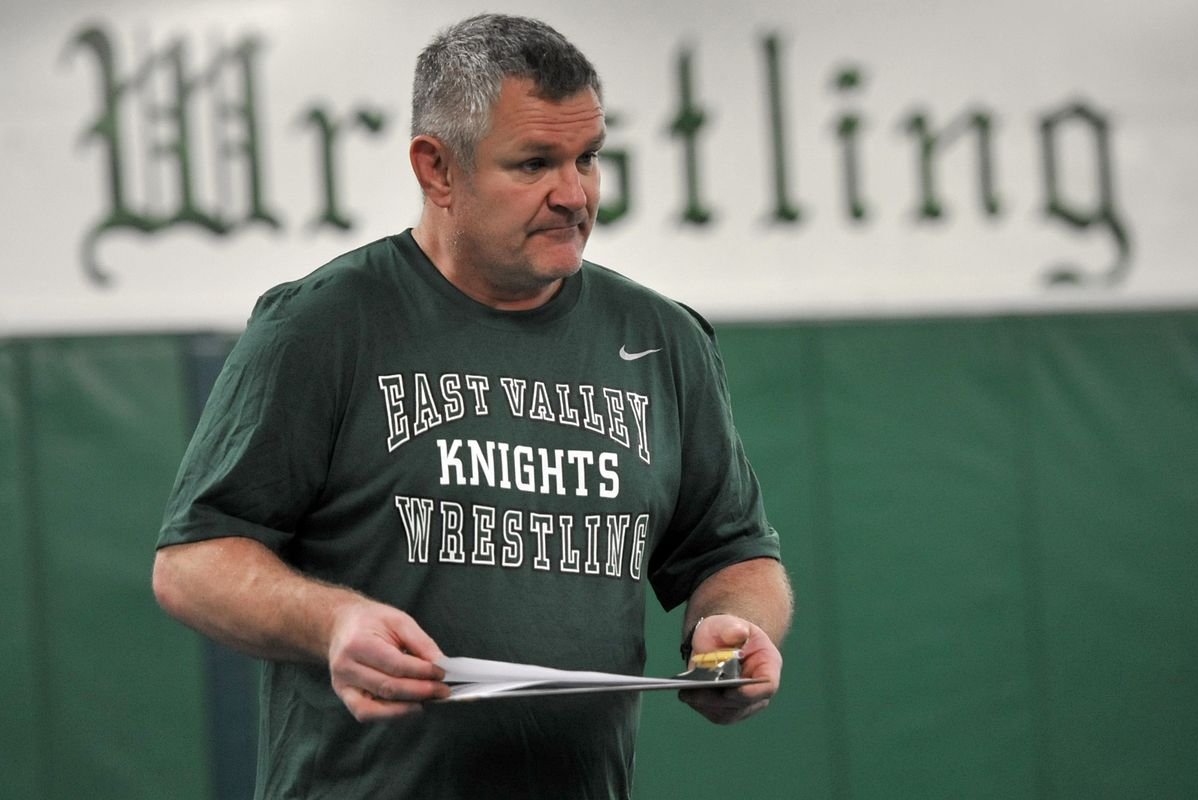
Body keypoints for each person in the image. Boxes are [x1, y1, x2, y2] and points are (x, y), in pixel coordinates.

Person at [153, 12, 792, 800]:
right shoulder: (321, 326)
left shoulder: (663, 339)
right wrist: (334, 624)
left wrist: (733, 630)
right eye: (534, 164)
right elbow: (193, 564)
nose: (574, 194)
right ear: (437, 170)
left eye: (587, 158)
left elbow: (732, 553)